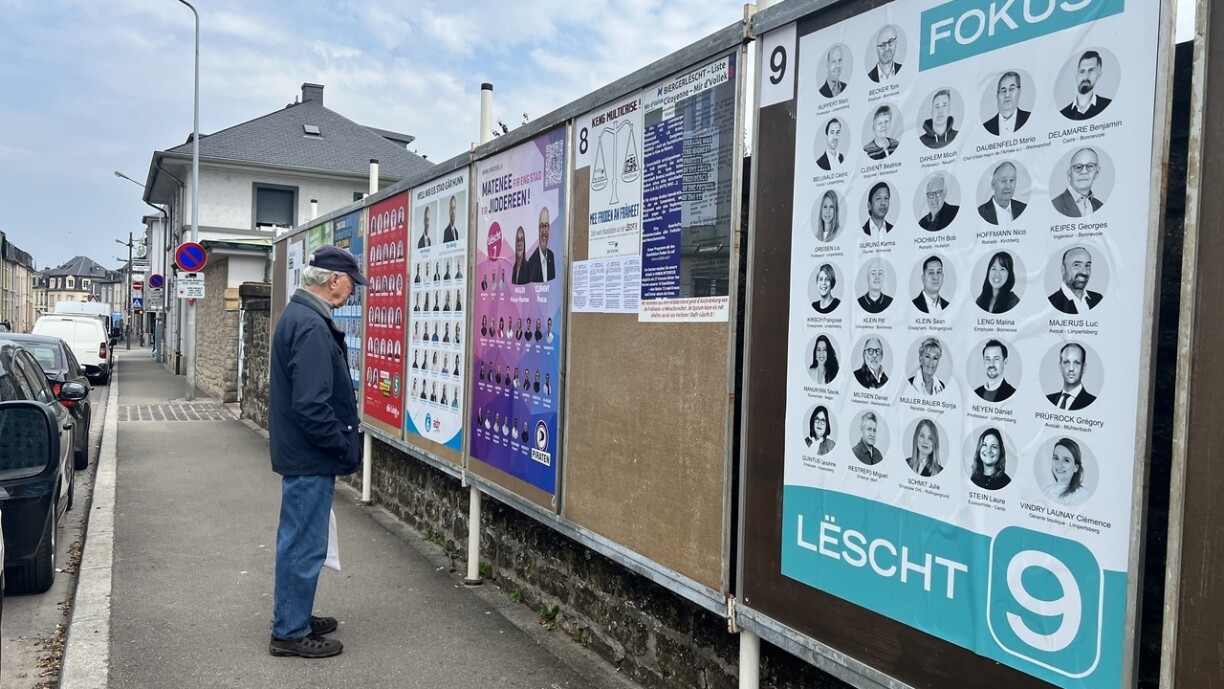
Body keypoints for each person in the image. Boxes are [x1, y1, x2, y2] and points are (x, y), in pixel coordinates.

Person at [267, 245, 367, 659]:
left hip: (302, 453)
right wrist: (341, 446)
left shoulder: (301, 316)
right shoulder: (310, 325)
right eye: (351, 284)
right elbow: (311, 405)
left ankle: (295, 615)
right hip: (309, 455)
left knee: (301, 539)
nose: (353, 291)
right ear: (333, 280)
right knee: (303, 544)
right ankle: (290, 631)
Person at [1051, 147, 1105, 218]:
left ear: (1097, 173)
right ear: (1069, 174)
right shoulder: (1054, 206)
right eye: (1078, 167)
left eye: (1090, 166)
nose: (1084, 171)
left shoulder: (1100, 206)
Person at [1048, 246, 1103, 313]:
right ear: (1063, 269)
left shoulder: (1098, 299)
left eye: (1087, 265)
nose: (1084, 272)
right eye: (1077, 265)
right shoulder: (1051, 304)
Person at [1061, 50, 1112, 120]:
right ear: (1076, 75)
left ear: (1099, 73)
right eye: (1082, 71)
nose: (1085, 77)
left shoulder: (1109, 106)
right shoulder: (1063, 113)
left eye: (1091, 70)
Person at [1046, 342, 1097, 410]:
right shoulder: (1047, 400)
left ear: (1084, 367)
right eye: (1066, 362)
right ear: (1060, 366)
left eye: (1076, 363)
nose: (1071, 368)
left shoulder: (1093, 402)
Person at [1043, 438, 1090, 506]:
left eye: (1066, 460)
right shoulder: (1046, 488)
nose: (1059, 465)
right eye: (1056, 458)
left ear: (1076, 467)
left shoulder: (1080, 495)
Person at [977, 161, 1026, 226]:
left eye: (1012, 180)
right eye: (1003, 181)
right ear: (993, 184)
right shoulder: (981, 212)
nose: (1008, 187)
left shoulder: (1023, 208)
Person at [983, 71, 1030, 135]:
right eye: (1003, 91)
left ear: (1019, 91)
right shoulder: (987, 126)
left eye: (1012, 89)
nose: (1007, 95)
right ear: (997, 96)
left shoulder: (1030, 118)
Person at [529, 206, 557, 282]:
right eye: (541, 226)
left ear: (549, 229)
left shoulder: (551, 256)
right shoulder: (532, 261)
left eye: (546, 226)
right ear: (538, 229)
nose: (544, 231)